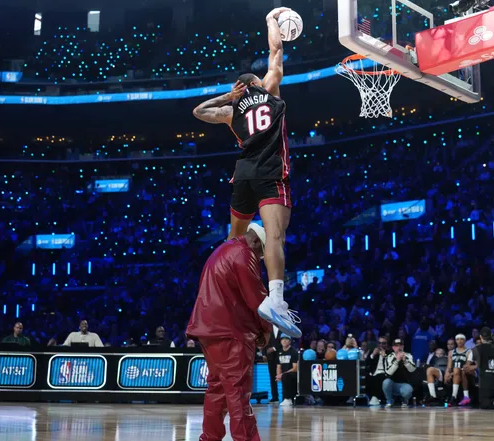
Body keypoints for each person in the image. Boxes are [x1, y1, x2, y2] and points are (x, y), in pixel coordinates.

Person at [192, 6, 300, 339]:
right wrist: (271, 19)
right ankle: (275, 300)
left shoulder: (230, 111)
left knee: (234, 239)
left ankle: (224, 295)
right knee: (276, 234)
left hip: (243, 174)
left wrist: (230, 96)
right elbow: (276, 51)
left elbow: (198, 111)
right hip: (269, 171)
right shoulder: (269, 89)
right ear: (255, 83)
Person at [186, 224, 272, 441]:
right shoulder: (244, 255)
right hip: (231, 330)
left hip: (208, 328)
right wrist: (266, 329)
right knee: (238, 391)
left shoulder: (222, 249)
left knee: (217, 388)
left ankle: (209, 438)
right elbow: (258, 299)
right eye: (262, 253)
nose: (260, 258)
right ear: (255, 242)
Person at [469, 327, 494, 409]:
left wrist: (475, 366)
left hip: (485, 386)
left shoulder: (476, 349)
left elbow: (467, 366)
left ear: (481, 337)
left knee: (485, 405)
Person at [383, 338, 417, 407]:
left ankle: (404, 400)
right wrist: (397, 361)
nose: (399, 347)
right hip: (392, 384)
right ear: (393, 348)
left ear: (403, 346)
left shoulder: (409, 356)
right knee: (386, 382)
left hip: (404, 384)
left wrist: (405, 361)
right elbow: (388, 373)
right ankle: (389, 401)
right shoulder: (389, 357)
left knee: (407, 391)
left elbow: (412, 369)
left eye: (400, 345)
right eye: (396, 346)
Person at [445, 334, 474, 406]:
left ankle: (454, 396)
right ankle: (454, 397)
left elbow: (467, 366)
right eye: (457, 339)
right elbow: (449, 366)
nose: (459, 341)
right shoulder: (451, 352)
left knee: (457, 370)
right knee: (455, 370)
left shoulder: (469, 351)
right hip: (455, 374)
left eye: (461, 339)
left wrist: (453, 372)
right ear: (456, 341)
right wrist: (447, 374)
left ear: (465, 340)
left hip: (466, 373)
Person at [366, 336, 391, 406]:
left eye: (383, 343)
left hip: (384, 373)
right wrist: (372, 355)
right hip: (374, 372)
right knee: (368, 377)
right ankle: (371, 397)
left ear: (387, 344)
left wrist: (384, 356)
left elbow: (390, 365)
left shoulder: (390, 353)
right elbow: (366, 363)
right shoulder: (373, 351)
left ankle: (375, 397)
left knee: (378, 377)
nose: (381, 345)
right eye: (379, 343)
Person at [276, 334, 298, 407]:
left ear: (290, 341)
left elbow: (295, 368)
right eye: (282, 339)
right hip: (285, 375)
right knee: (284, 376)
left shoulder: (293, 352)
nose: (284, 341)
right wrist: (278, 375)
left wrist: (283, 374)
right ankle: (286, 399)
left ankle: (288, 399)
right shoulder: (279, 352)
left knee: (285, 376)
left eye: (286, 339)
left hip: (293, 374)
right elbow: (278, 366)